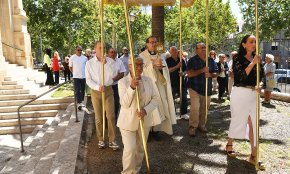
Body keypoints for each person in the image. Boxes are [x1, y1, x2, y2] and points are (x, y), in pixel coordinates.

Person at [226, 35, 265, 170]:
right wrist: (253, 63)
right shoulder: (237, 58)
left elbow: (263, 77)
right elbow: (240, 76)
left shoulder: (258, 58)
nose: (254, 44)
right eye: (251, 42)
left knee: (253, 122)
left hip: (253, 94)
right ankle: (229, 143)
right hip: (239, 93)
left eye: (255, 42)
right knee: (238, 119)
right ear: (244, 44)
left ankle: (254, 155)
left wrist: (260, 85)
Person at [117, 57, 160, 174]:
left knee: (140, 149)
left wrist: (146, 110)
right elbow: (124, 104)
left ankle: (135, 170)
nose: (139, 67)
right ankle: (127, 172)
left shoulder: (148, 80)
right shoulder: (123, 82)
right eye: (136, 65)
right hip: (127, 121)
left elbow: (156, 99)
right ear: (130, 66)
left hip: (144, 120)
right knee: (130, 149)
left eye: (141, 65)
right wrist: (131, 87)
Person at [139, 36, 176, 135]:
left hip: (160, 85)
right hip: (148, 86)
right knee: (149, 106)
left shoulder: (161, 55)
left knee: (161, 105)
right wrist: (152, 66)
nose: (154, 44)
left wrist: (161, 68)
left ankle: (157, 130)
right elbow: (141, 71)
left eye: (155, 42)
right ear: (147, 44)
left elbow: (166, 70)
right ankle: (148, 131)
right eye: (151, 42)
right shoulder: (141, 56)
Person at [85, 41, 119, 150]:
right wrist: (97, 87)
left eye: (104, 48)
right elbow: (88, 80)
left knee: (111, 116)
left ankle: (112, 140)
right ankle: (100, 139)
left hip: (108, 91)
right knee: (98, 117)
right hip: (96, 92)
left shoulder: (110, 61)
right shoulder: (89, 63)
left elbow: (114, 75)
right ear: (95, 49)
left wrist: (107, 64)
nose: (102, 50)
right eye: (100, 48)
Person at [187, 43, 218, 137]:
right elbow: (189, 74)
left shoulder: (211, 60)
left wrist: (211, 75)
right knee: (195, 108)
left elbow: (216, 73)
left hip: (207, 89)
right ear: (197, 50)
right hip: (195, 88)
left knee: (205, 108)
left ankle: (202, 125)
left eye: (205, 47)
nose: (204, 49)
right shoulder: (192, 60)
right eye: (201, 48)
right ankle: (193, 126)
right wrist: (202, 70)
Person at [166, 46, 189, 120]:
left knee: (184, 98)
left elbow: (186, 70)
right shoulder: (168, 60)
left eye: (176, 50)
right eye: (173, 50)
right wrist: (177, 66)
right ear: (170, 52)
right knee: (171, 99)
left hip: (182, 82)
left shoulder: (181, 59)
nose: (175, 52)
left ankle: (184, 113)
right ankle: (173, 114)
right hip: (172, 82)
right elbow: (168, 70)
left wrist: (183, 73)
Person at [107, 47, 126, 119]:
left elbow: (122, 73)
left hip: (115, 86)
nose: (113, 54)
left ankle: (114, 119)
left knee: (116, 103)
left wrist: (113, 79)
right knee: (107, 105)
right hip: (106, 86)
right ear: (108, 53)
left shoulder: (119, 61)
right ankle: (106, 121)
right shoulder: (104, 61)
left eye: (115, 52)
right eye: (111, 52)